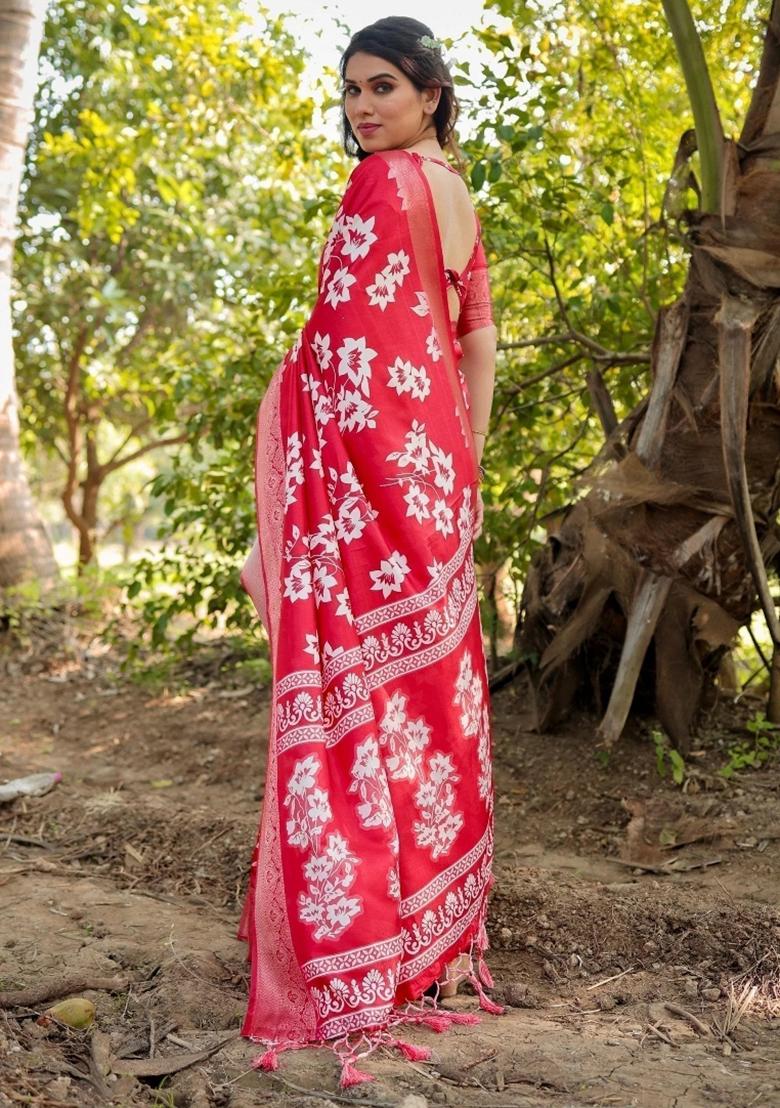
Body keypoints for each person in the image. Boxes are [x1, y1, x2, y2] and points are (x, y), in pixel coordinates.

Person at [237, 14, 501, 1089]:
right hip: (431, 475)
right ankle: (432, 943)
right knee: (426, 700)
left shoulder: (381, 187)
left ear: (430, 93)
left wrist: (289, 460)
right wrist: (465, 464)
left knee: (362, 702)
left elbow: (334, 350)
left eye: (381, 87)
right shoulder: (459, 196)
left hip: (369, 478)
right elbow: (477, 339)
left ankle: (364, 956)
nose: (360, 108)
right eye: (350, 90)